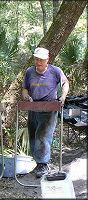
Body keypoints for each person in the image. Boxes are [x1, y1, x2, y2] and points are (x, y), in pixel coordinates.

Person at [22, 47, 69, 178]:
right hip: (33, 106)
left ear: (47, 59)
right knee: (33, 135)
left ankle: (43, 164)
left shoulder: (55, 71)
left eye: (41, 60)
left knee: (42, 135)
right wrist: (26, 96)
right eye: (36, 59)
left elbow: (65, 83)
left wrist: (63, 96)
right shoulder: (29, 72)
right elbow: (25, 89)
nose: (38, 62)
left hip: (49, 107)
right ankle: (39, 164)